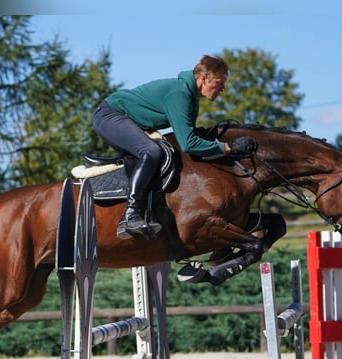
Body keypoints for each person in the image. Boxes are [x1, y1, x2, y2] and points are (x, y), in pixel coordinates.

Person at [93, 55, 257, 239]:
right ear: (204, 79)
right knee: (151, 151)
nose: (223, 89)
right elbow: (189, 144)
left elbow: (189, 137)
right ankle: (130, 214)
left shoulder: (190, 96)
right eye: (219, 83)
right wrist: (227, 148)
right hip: (110, 116)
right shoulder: (180, 94)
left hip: (128, 119)